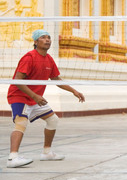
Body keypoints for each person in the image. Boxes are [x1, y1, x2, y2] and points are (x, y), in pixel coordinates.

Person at [6, 29, 85, 168]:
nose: (47, 40)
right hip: (20, 96)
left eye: (49, 37)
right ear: (36, 42)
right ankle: (12, 158)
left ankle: (47, 153)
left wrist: (74, 91)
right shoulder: (29, 57)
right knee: (21, 122)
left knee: (53, 120)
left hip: (35, 99)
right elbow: (18, 80)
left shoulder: (49, 59)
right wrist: (35, 96)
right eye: (43, 37)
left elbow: (55, 78)